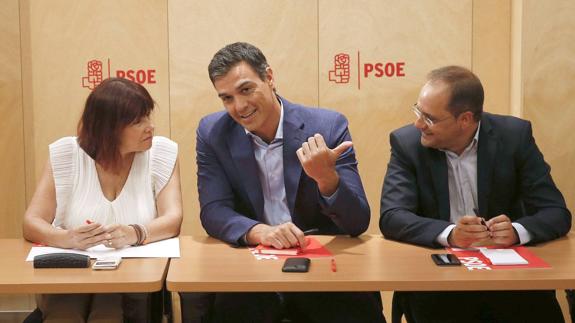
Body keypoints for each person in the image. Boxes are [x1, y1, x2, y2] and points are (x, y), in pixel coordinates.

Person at [185, 42, 385, 323]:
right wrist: (260, 232)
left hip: (320, 271)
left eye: (245, 90)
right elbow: (214, 210)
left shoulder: (326, 127)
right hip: (252, 272)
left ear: (269, 77)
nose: (239, 107)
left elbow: (357, 222)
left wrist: (326, 178)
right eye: (227, 98)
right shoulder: (213, 132)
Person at [380, 65, 571, 323]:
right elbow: (392, 216)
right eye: (418, 111)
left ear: (465, 120)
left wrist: (516, 230)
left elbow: (556, 213)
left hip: (509, 281)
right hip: (439, 282)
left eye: (430, 119)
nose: (418, 124)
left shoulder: (514, 137)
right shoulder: (407, 144)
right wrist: (450, 234)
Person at [23, 77, 183, 323]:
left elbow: (173, 219)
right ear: (108, 128)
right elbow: (32, 222)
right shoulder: (66, 154)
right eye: (138, 121)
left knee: (108, 313)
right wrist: (66, 238)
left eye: (148, 117)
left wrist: (136, 232)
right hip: (73, 276)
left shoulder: (161, 153)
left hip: (133, 280)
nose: (150, 127)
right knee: (64, 315)